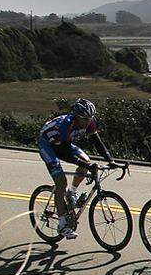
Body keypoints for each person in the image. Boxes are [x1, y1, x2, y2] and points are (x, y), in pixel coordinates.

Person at [37, 98, 115, 239]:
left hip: (63, 144)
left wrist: (111, 160)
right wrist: (87, 166)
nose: (87, 122)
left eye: (90, 118)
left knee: (86, 160)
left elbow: (97, 142)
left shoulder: (89, 122)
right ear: (76, 116)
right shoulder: (66, 125)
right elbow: (65, 154)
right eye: (84, 119)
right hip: (48, 145)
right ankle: (62, 225)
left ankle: (71, 193)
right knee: (61, 182)